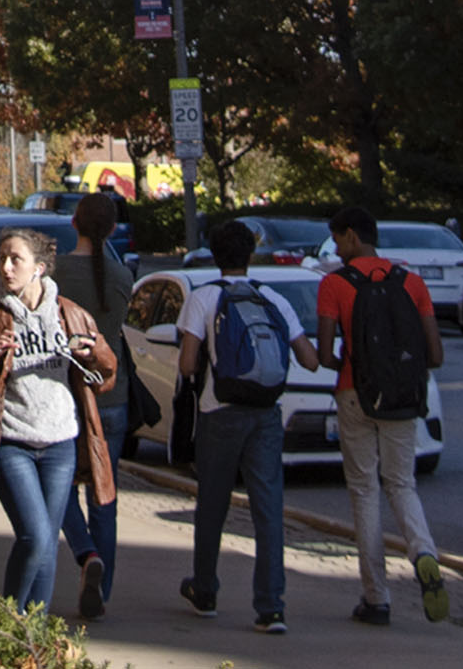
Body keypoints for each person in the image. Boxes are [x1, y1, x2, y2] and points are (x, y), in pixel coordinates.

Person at [0, 226, 116, 615]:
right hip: (12, 443)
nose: (6, 267)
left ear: (39, 268)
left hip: (60, 444)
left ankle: (34, 638)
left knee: (47, 545)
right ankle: (11, 620)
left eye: (16, 259)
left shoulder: (69, 315)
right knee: (36, 536)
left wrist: (97, 354)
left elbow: (106, 377)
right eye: (2, 259)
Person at [174, 217, 318, 636]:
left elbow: (186, 364)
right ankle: (271, 607)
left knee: (213, 506)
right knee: (268, 510)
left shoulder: (204, 298)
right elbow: (308, 359)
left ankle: (205, 591)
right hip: (266, 415)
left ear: (214, 256)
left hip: (219, 412)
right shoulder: (272, 298)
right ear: (250, 255)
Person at [316, 206, 449, 627]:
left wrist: (346, 362)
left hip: (355, 394)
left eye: (338, 241)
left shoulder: (334, 285)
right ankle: (424, 552)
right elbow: (436, 355)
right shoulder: (411, 282)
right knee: (401, 482)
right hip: (402, 398)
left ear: (352, 236)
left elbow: (323, 355)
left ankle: (377, 598)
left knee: (364, 490)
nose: (336, 250)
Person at [51, 192, 136, 618]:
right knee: (105, 492)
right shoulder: (122, 276)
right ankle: (101, 593)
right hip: (111, 395)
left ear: (73, 224)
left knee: (58, 484)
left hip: (64, 396)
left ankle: (86, 555)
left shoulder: (55, 276)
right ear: (114, 230)